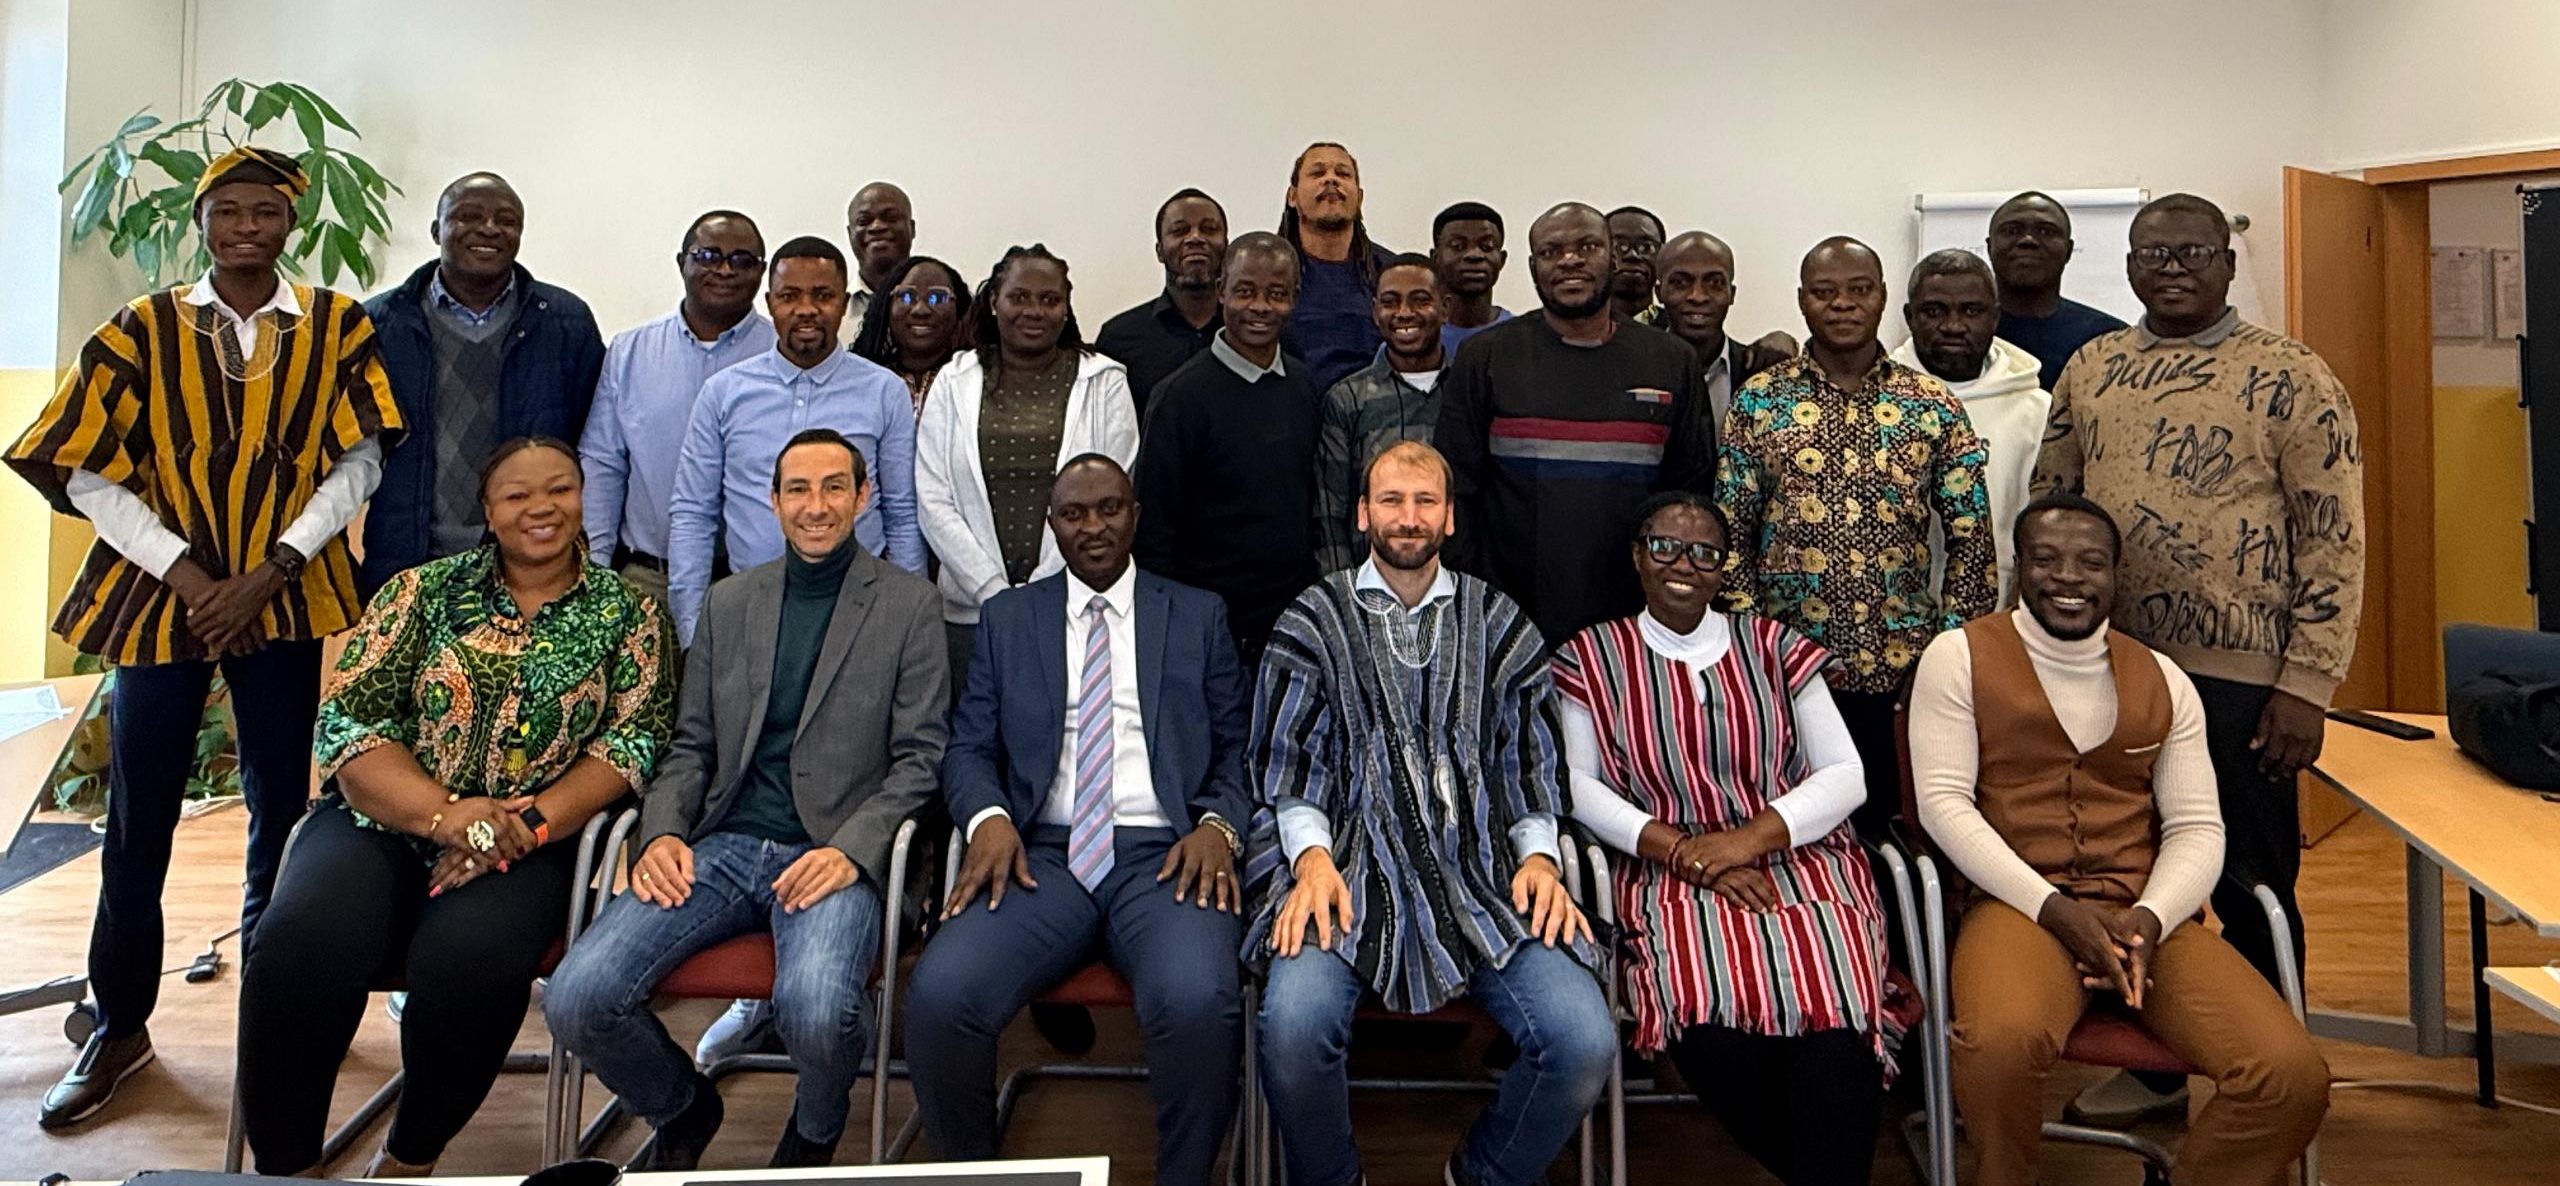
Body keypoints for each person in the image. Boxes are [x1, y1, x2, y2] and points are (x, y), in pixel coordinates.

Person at [5, 146, 404, 1130]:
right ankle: (120, 1027)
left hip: (284, 594)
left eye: (264, 212)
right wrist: (194, 580)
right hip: (158, 600)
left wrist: (269, 572)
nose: (245, 228)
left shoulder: (336, 325)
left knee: (282, 809)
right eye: (228, 211)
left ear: (289, 223)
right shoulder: (140, 328)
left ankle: (279, 1011)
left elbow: (358, 460)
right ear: (202, 221)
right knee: (137, 822)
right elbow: (87, 470)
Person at [239, 438, 674, 1175]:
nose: (541, 508)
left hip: (529, 842)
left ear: (583, 498)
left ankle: (410, 1157)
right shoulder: (420, 592)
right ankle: (285, 1168)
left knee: (468, 960)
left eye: (560, 489)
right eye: (517, 495)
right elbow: (351, 723)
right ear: (488, 512)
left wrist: (522, 825)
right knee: (299, 943)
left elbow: (633, 742)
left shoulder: (630, 615)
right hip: (383, 822)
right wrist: (448, 817)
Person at [2033, 192, 2363, 1126]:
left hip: (2244, 684)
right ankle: (2160, 1074)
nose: (2171, 267)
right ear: (2128, 265)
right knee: (2135, 876)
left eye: (2190, 252)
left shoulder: (2293, 374)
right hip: (2111, 671)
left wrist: (2308, 684)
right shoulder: (2094, 366)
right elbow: (2051, 508)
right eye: (2152, 253)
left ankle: (2273, 1080)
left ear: (2225, 260)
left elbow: (2334, 537)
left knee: (2249, 882)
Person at [546, 428, 948, 1171]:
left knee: (818, 1012)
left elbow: (920, 760)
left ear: (864, 497)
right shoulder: (730, 602)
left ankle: (816, 1131)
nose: (816, 506)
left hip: (833, 851)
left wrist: (851, 851)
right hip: (722, 844)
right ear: (773, 501)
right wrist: (663, 834)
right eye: (798, 489)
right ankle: (683, 1106)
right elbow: (690, 744)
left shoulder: (910, 605)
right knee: (577, 997)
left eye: (834, 487)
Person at [1911, 494, 2330, 1186]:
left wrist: (2151, 919)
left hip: (2144, 914)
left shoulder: (2164, 679)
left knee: (2289, 1076)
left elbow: (2197, 826)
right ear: (2019, 566)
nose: (2068, 578)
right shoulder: (1957, 657)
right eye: (2046, 559)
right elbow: (1944, 807)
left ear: (2115, 574)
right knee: (2000, 1046)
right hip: (2018, 908)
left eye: (2091, 563)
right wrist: (2058, 912)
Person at [1250, 441, 1615, 1186]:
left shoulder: (1501, 624)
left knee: (1583, 1042)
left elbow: (1530, 764)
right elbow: (1290, 767)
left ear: (1450, 517)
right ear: (1362, 514)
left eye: (1425, 502)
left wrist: (1541, 859)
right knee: (1291, 1029)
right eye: (1391, 500)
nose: (1408, 518)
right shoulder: (1311, 621)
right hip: (1344, 871)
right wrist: (1311, 860)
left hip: (1483, 877)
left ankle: (1481, 1175)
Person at [908, 454, 1251, 1183]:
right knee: (941, 996)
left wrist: (1218, 826)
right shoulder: (1009, 619)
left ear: (1135, 514)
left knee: (1199, 1002)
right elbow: (968, 747)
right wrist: (988, 818)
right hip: (1040, 856)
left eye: (1109, 509)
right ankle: (969, 1175)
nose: (1093, 526)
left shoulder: (1196, 615)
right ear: (1051, 526)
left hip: (1165, 857)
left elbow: (1238, 748)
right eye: (1073, 514)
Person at [1555, 492, 1887, 1186]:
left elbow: (1845, 775)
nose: (1684, 564)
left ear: (1724, 568)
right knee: (1705, 1023)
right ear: (1637, 556)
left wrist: (1744, 842)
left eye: (1705, 553)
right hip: (1664, 867)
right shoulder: (1590, 657)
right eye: (1665, 546)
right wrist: (1688, 854)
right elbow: (1578, 788)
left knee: (1834, 1022)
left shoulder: (1775, 647)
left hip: (1802, 860)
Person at [1717, 236, 1997, 836]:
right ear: (1802, 301)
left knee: (1895, 832)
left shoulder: (1932, 404)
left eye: (1858, 290)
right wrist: (1754, 650)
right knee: (1798, 832)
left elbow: (1973, 540)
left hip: (1903, 669)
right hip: (1788, 671)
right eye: (1824, 292)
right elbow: (1730, 533)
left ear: (1883, 298)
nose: (1841, 303)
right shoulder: (1760, 401)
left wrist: (1947, 655)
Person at [1435, 202, 1714, 647]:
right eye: (1551, 252)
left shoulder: (1671, 361)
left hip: (1634, 627)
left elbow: (1689, 496)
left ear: (1613, 258)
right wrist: (1479, 607)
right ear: (1532, 268)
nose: (1570, 261)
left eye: (1587, 247)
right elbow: (1456, 493)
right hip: (1508, 622)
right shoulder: (1485, 357)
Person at [667, 236, 924, 645]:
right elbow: (693, 513)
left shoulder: (883, 390)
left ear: (844, 302)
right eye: (790, 296)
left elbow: (902, 512)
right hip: (748, 609)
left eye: (822, 295)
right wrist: (692, 632)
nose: (806, 309)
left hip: (859, 611)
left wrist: (908, 625)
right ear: (770, 304)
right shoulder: (724, 393)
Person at [362, 172, 605, 595]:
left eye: (506, 221)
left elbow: (593, 444)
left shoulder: (565, 323)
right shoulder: (380, 325)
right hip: (409, 558)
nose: (489, 229)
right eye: (469, 216)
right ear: (436, 230)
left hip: (531, 562)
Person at [917, 245, 1140, 676]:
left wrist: (1040, 592)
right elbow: (933, 498)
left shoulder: (1105, 382)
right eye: (1019, 297)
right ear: (993, 302)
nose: (1034, 311)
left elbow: (1113, 497)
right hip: (969, 615)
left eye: (1050, 300)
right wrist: (993, 593)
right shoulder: (953, 380)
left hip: (1076, 608)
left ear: (1066, 308)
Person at [1132, 232, 1320, 659]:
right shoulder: (1179, 397)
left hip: (1292, 619)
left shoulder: (1303, 384)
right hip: (1208, 629)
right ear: (1221, 291)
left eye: (1277, 294)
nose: (1260, 307)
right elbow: (1155, 532)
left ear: (1295, 298)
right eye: (1245, 291)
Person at [581, 210, 777, 607]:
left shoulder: (784, 354)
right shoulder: (630, 352)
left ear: (762, 271)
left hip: (756, 582)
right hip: (648, 580)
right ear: (681, 262)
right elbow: (603, 465)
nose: (724, 270)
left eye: (742, 260)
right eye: (708, 256)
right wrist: (595, 572)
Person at [1888, 248, 2049, 604]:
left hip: (2000, 609)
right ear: (1909, 317)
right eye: (1934, 311)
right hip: (1893, 612)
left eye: (1971, 311)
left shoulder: (2037, 410)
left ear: (1995, 318)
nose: (1953, 326)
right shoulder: (1876, 403)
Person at [1313, 253, 1447, 572]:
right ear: (1374, 312)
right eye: (1390, 302)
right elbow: (1329, 513)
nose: (1404, 313)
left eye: (1420, 300)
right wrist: (1343, 591)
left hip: (1456, 582)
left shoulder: (1467, 391)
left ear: (1445, 308)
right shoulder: (1348, 399)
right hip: (1367, 583)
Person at [1095, 188, 1229, 418]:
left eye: (1209, 229)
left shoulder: (1257, 333)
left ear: (1226, 246)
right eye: (1179, 231)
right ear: (1159, 251)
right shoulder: (1118, 338)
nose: (1195, 238)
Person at [1277, 142, 1397, 393]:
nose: (1331, 179)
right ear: (1292, 196)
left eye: (1343, 174)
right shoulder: (1270, 271)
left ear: (1360, 198)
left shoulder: (1389, 273)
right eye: (1317, 173)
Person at [1986, 191, 2126, 392]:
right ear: (1989, 246)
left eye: (2046, 231)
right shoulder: (1958, 333)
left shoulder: (2109, 339)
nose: (2028, 240)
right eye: (2012, 230)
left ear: (2068, 250)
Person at [1651, 231, 1793, 427]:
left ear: (1731, 293)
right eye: (1681, 283)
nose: (1698, 296)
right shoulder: (1638, 368)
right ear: (1659, 293)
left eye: (1715, 283)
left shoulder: (1759, 371)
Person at [849, 254, 974, 418]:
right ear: (886, 307)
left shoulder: (976, 380)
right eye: (907, 296)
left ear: (960, 310)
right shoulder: (860, 381)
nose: (920, 310)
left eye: (937, 298)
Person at [1431, 201, 1511, 356]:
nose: (1474, 255)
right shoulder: (1415, 340)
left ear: (1502, 259)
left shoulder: (1522, 338)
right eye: (1458, 246)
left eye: (1486, 246)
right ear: (1436, 258)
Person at [844, 180, 917, 324]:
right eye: (864, 221)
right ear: (849, 233)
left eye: (891, 218)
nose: (877, 227)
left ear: (912, 228)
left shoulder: (946, 307)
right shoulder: (835, 315)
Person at [1607, 205, 1666, 323]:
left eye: (1646, 247)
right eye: (1618, 245)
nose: (1632, 255)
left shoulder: (1679, 328)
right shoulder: (1574, 326)